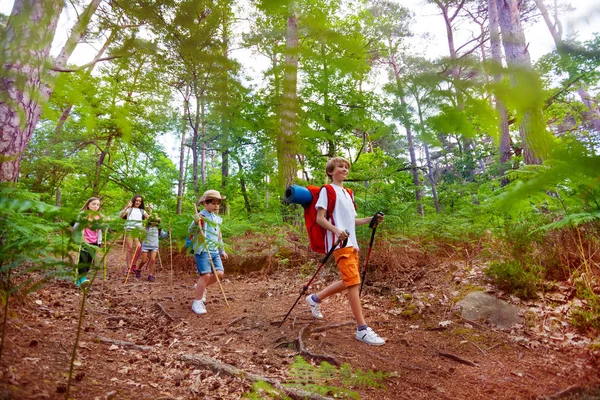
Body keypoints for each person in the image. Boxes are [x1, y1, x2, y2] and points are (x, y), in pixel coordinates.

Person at [305, 156, 386, 346]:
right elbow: (320, 218)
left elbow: (352, 221)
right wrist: (336, 230)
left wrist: (371, 220)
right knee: (353, 283)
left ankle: (315, 298)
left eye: (346, 167)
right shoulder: (328, 191)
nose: (344, 169)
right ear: (330, 172)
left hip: (352, 243)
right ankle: (362, 329)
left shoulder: (349, 193)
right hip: (339, 243)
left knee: (349, 280)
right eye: (340, 167)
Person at [189, 190, 228, 315]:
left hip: (214, 250)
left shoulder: (218, 218)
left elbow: (218, 235)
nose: (216, 205)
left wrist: (222, 250)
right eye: (213, 202)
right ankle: (197, 302)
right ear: (205, 203)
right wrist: (196, 223)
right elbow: (191, 230)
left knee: (219, 273)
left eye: (218, 203)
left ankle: (200, 287)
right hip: (203, 249)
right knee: (205, 275)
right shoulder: (200, 216)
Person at [73, 197, 103, 289]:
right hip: (84, 241)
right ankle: (82, 279)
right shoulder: (82, 214)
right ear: (88, 205)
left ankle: (81, 280)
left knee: (89, 261)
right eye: (93, 204)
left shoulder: (99, 216)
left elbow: (103, 228)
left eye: (97, 205)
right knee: (83, 260)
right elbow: (75, 227)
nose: (95, 206)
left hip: (95, 241)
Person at [119, 195, 150, 274]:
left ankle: (133, 264)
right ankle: (129, 267)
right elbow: (121, 216)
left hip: (137, 231)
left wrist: (150, 210)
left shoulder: (142, 211)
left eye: (139, 201)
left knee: (138, 247)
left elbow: (149, 219)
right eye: (136, 200)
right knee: (129, 248)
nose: (138, 202)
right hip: (129, 229)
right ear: (133, 201)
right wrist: (126, 207)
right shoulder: (129, 209)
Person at [133, 213, 168, 282]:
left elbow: (164, 236)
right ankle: (138, 269)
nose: (154, 222)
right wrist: (137, 238)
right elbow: (139, 234)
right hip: (145, 246)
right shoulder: (146, 228)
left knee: (153, 259)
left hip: (154, 246)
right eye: (152, 221)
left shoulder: (159, 229)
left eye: (155, 221)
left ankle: (150, 275)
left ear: (158, 222)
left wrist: (168, 232)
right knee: (143, 260)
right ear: (150, 221)